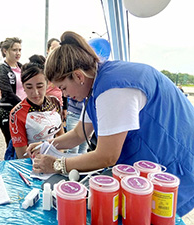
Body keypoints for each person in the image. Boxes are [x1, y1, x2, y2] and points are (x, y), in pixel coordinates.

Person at [27, 31, 194, 217]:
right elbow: (78, 134)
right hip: (148, 160)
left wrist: (58, 165)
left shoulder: (113, 89)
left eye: (63, 88)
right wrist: (47, 145)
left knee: (157, 214)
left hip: (172, 161)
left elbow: (107, 156)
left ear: (78, 76)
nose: (64, 95)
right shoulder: (96, 83)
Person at [9, 55, 64, 159]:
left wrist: (58, 158)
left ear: (47, 84)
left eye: (40, 86)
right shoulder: (16, 113)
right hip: (34, 164)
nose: (35, 92)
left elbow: (61, 135)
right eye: (29, 87)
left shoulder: (54, 102)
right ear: (23, 87)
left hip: (56, 160)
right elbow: (22, 155)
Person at [0, 37, 26, 146]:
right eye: (14, 50)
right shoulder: (2, 69)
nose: (18, 53)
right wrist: (24, 106)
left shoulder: (23, 67)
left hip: (25, 111)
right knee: (13, 146)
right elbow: (8, 93)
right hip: (9, 112)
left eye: (19, 50)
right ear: (5, 51)